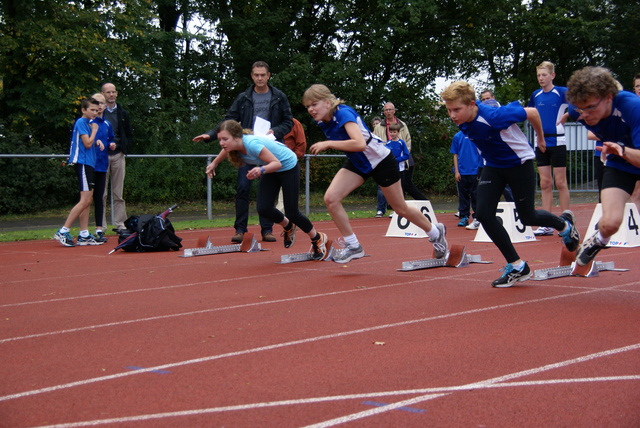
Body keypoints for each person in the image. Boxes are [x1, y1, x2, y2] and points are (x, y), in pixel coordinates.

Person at [440, 82, 579, 287]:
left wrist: (540, 139)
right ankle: (517, 266)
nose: (452, 115)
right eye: (449, 110)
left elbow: (532, 112)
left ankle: (565, 226)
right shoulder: (462, 119)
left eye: (456, 110)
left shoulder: (495, 116)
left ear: (471, 104)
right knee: (484, 214)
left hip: (518, 163)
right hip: (493, 166)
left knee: (528, 217)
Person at [303, 84, 448, 264]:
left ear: (327, 102)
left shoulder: (343, 114)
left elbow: (359, 143)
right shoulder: (321, 120)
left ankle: (436, 232)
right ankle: (353, 246)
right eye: (307, 106)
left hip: (380, 160)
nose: (310, 109)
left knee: (400, 208)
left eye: (314, 104)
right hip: (358, 162)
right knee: (331, 199)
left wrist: (328, 143)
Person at [193, 61, 293, 243]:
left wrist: (276, 131)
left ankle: (267, 229)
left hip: (267, 149)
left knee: (267, 192)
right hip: (246, 148)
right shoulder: (244, 97)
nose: (260, 78)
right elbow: (228, 122)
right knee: (243, 188)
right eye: (256, 75)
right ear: (251, 76)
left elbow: (289, 122)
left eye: (263, 75)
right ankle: (240, 229)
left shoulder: (279, 96)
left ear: (269, 75)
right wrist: (210, 135)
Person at [205, 120, 328, 260]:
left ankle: (317, 238)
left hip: (287, 166)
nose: (221, 143)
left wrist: (260, 169)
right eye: (220, 139)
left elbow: (277, 163)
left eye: (225, 139)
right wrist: (214, 163)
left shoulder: (252, 145)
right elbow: (225, 149)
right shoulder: (233, 146)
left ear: (237, 137)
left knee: (292, 212)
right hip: (270, 168)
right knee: (264, 208)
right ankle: (288, 226)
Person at [565, 67, 640, 266]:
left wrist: (622, 149)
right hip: (619, 163)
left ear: (608, 97)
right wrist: (615, 149)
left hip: (634, 155)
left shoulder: (633, 107)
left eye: (590, 108)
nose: (585, 115)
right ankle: (599, 240)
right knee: (610, 223)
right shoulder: (576, 110)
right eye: (581, 110)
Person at [54, 98, 105, 247]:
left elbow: (89, 142)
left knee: (88, 200)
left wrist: (97, 141)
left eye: (96, 110)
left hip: (90, 164)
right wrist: (95, 132)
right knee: (84, 200)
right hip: (82, 163)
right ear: (84, 110)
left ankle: (84, 234)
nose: (95, 113)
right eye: (92, 110)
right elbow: (87, 143)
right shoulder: (82, 122)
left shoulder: (88, 124)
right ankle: (63, 231)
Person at [527, 61, 570, 236]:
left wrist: (568, 114)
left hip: (558, 141)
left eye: (544, 75)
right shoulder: (535, 95)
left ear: (552, 75)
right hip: (541, 142)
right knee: (545, 183)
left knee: (560, 182)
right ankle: (546, 223)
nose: (541, 78)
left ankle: (567, 220)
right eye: (538, 75)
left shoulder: (561, 92)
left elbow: (579, 105)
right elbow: (530, 113)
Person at [373, 102, 427, 201]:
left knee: (405, 183)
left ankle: (423, 201)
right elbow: (376, 143)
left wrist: (403, 156)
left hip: (403, 160)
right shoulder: (379, 127)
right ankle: (396, 207)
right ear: (384, 112)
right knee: (393, 185)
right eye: (386, 110)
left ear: (394, 111)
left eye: (390, 109)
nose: (388, 112)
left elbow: (408, 141)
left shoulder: (402, 125)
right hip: (388, 160)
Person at [101, 82, 134, 234]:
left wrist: (123, 147)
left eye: (113, 92)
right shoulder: (99, 113)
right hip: (101, 157)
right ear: (103, 94)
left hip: (118, 155)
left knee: (118, 193)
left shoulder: (122, 113)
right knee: (101, 193)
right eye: (108, 92)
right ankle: (101, 226)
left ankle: (120, 224)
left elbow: (128, 133)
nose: (111, 95)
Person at [90, 92, 115, 243]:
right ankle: (84, 230)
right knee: (86, 199)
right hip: (89, 164)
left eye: (101, 103)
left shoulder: (107, 124)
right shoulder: (88, 122)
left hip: (102, 165)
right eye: (96, 103)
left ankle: (99, 229)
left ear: (105, 106)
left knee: (99, 198)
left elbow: (111, 140)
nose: (99, 106)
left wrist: (112, 145)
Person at [375, 123, 410, 217]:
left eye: (394, 132)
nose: (393, 134)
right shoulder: (388, 143)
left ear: (398, 132)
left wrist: (397, 160)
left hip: (400, 169)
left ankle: (398, 210)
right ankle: (385, 209)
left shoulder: (401, 143)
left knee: (399, 190)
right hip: (390, 170)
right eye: (391, 132)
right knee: (390, 190)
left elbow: (407, 155)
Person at [450, 130, 480, 228]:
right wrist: (457, 171)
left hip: (475, 170)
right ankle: (464, 216)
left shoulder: (477, 134)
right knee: (463, 196)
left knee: (476, 195)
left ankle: (478, 217)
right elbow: (455, 155)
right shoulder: (458, 136)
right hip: (462, 172)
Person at [276, 117, 306, 212]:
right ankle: (267, 224)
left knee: (287, 196)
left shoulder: (295, 123)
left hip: (288, 164)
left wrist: (292, 158)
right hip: (270, 163)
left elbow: (301, 144)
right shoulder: (269, 121)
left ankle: (289, 219)